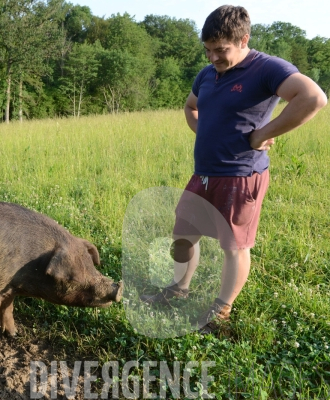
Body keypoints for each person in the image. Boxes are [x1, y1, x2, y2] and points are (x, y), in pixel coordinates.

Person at [140, 5, 327, 334]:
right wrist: (207, 133)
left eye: (220, 50)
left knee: (234, 246)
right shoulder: (207, 73)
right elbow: (190, 105)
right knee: (183, 234)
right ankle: (178, 288)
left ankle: (220, 311)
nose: (213, 57)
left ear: (244, 40)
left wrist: (262, 135)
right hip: (204, 173)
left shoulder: (266, 69)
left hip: (241, 175)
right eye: (208, 50)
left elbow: (313, 97)